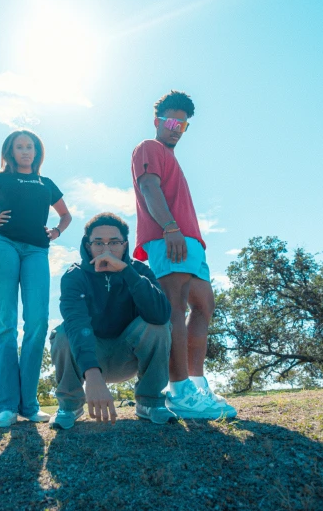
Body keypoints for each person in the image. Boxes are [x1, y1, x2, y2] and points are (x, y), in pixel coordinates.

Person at [131, 90, 237, 419]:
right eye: (172, 120)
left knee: (203, 306)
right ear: (157, 121)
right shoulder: (148, 148)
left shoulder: (171, 156)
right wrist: (169, 227)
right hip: (169, 236)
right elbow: (149, 188)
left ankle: (196, 384)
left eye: (184, 124)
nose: (177, 128)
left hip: (190, 241)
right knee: (175, 307)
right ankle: (178, 392)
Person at [0, 130, 71, 428]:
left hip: (37, 250)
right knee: (6, 322)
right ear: (10, 152)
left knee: (37, 321)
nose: (25, 151)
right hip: (3, 245)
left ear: (37, 152)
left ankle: (29, 404)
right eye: (19, 147)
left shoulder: (46, 184)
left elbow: (66, 215)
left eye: (30, 147)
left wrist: (57, 231)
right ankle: (5, 407)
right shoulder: (0, 179)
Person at [49, 212, 176, 429]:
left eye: (114, 242)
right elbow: (77, 323)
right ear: (87, 246)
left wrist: (127, 273)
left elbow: (160, 315)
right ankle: (70, 405)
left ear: (125, 245)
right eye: (98, 242)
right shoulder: (74, 276)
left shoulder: (139, 271)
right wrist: (92, 375)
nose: (106, 249)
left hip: (127, 357)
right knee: (62, 333)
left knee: (159, 327)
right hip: (89, 358)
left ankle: (150, 402)